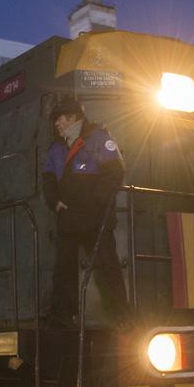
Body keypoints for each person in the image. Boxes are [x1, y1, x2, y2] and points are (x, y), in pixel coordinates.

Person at [41, 99, 131, 329]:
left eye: (59, 119)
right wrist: (54, 202)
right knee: (63, 269)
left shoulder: (98, 138)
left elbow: (115, 172)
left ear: (72, 118)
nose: (56, 124)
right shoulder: (56, 149)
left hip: (95, 217)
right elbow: (48, 179)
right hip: (69, 217)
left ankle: (122, 317)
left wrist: (96, 202)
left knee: (107, 265)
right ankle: (63, 318)